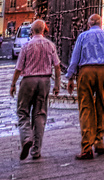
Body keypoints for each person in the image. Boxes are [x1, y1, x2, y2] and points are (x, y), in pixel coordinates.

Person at [66, 14, 104, 160]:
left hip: (86, 71)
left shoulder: (83, 36)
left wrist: (70, 77)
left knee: (86, 107)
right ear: (101, 23)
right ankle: (99, 141)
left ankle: (86, 147)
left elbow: (75, 58)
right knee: (101, 105)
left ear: (88, 23)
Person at [9, 20, 61, 161]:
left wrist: (13, 84)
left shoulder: (26, 46)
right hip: (44, 81)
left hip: (28, 81)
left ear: (32, 31)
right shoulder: (50, 45)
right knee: (40, 114)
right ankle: (36, 150)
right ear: (44, 30)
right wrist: (57, 85)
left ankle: (26, 137)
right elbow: (57, 66)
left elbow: (18, 68)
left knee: (22, 111)